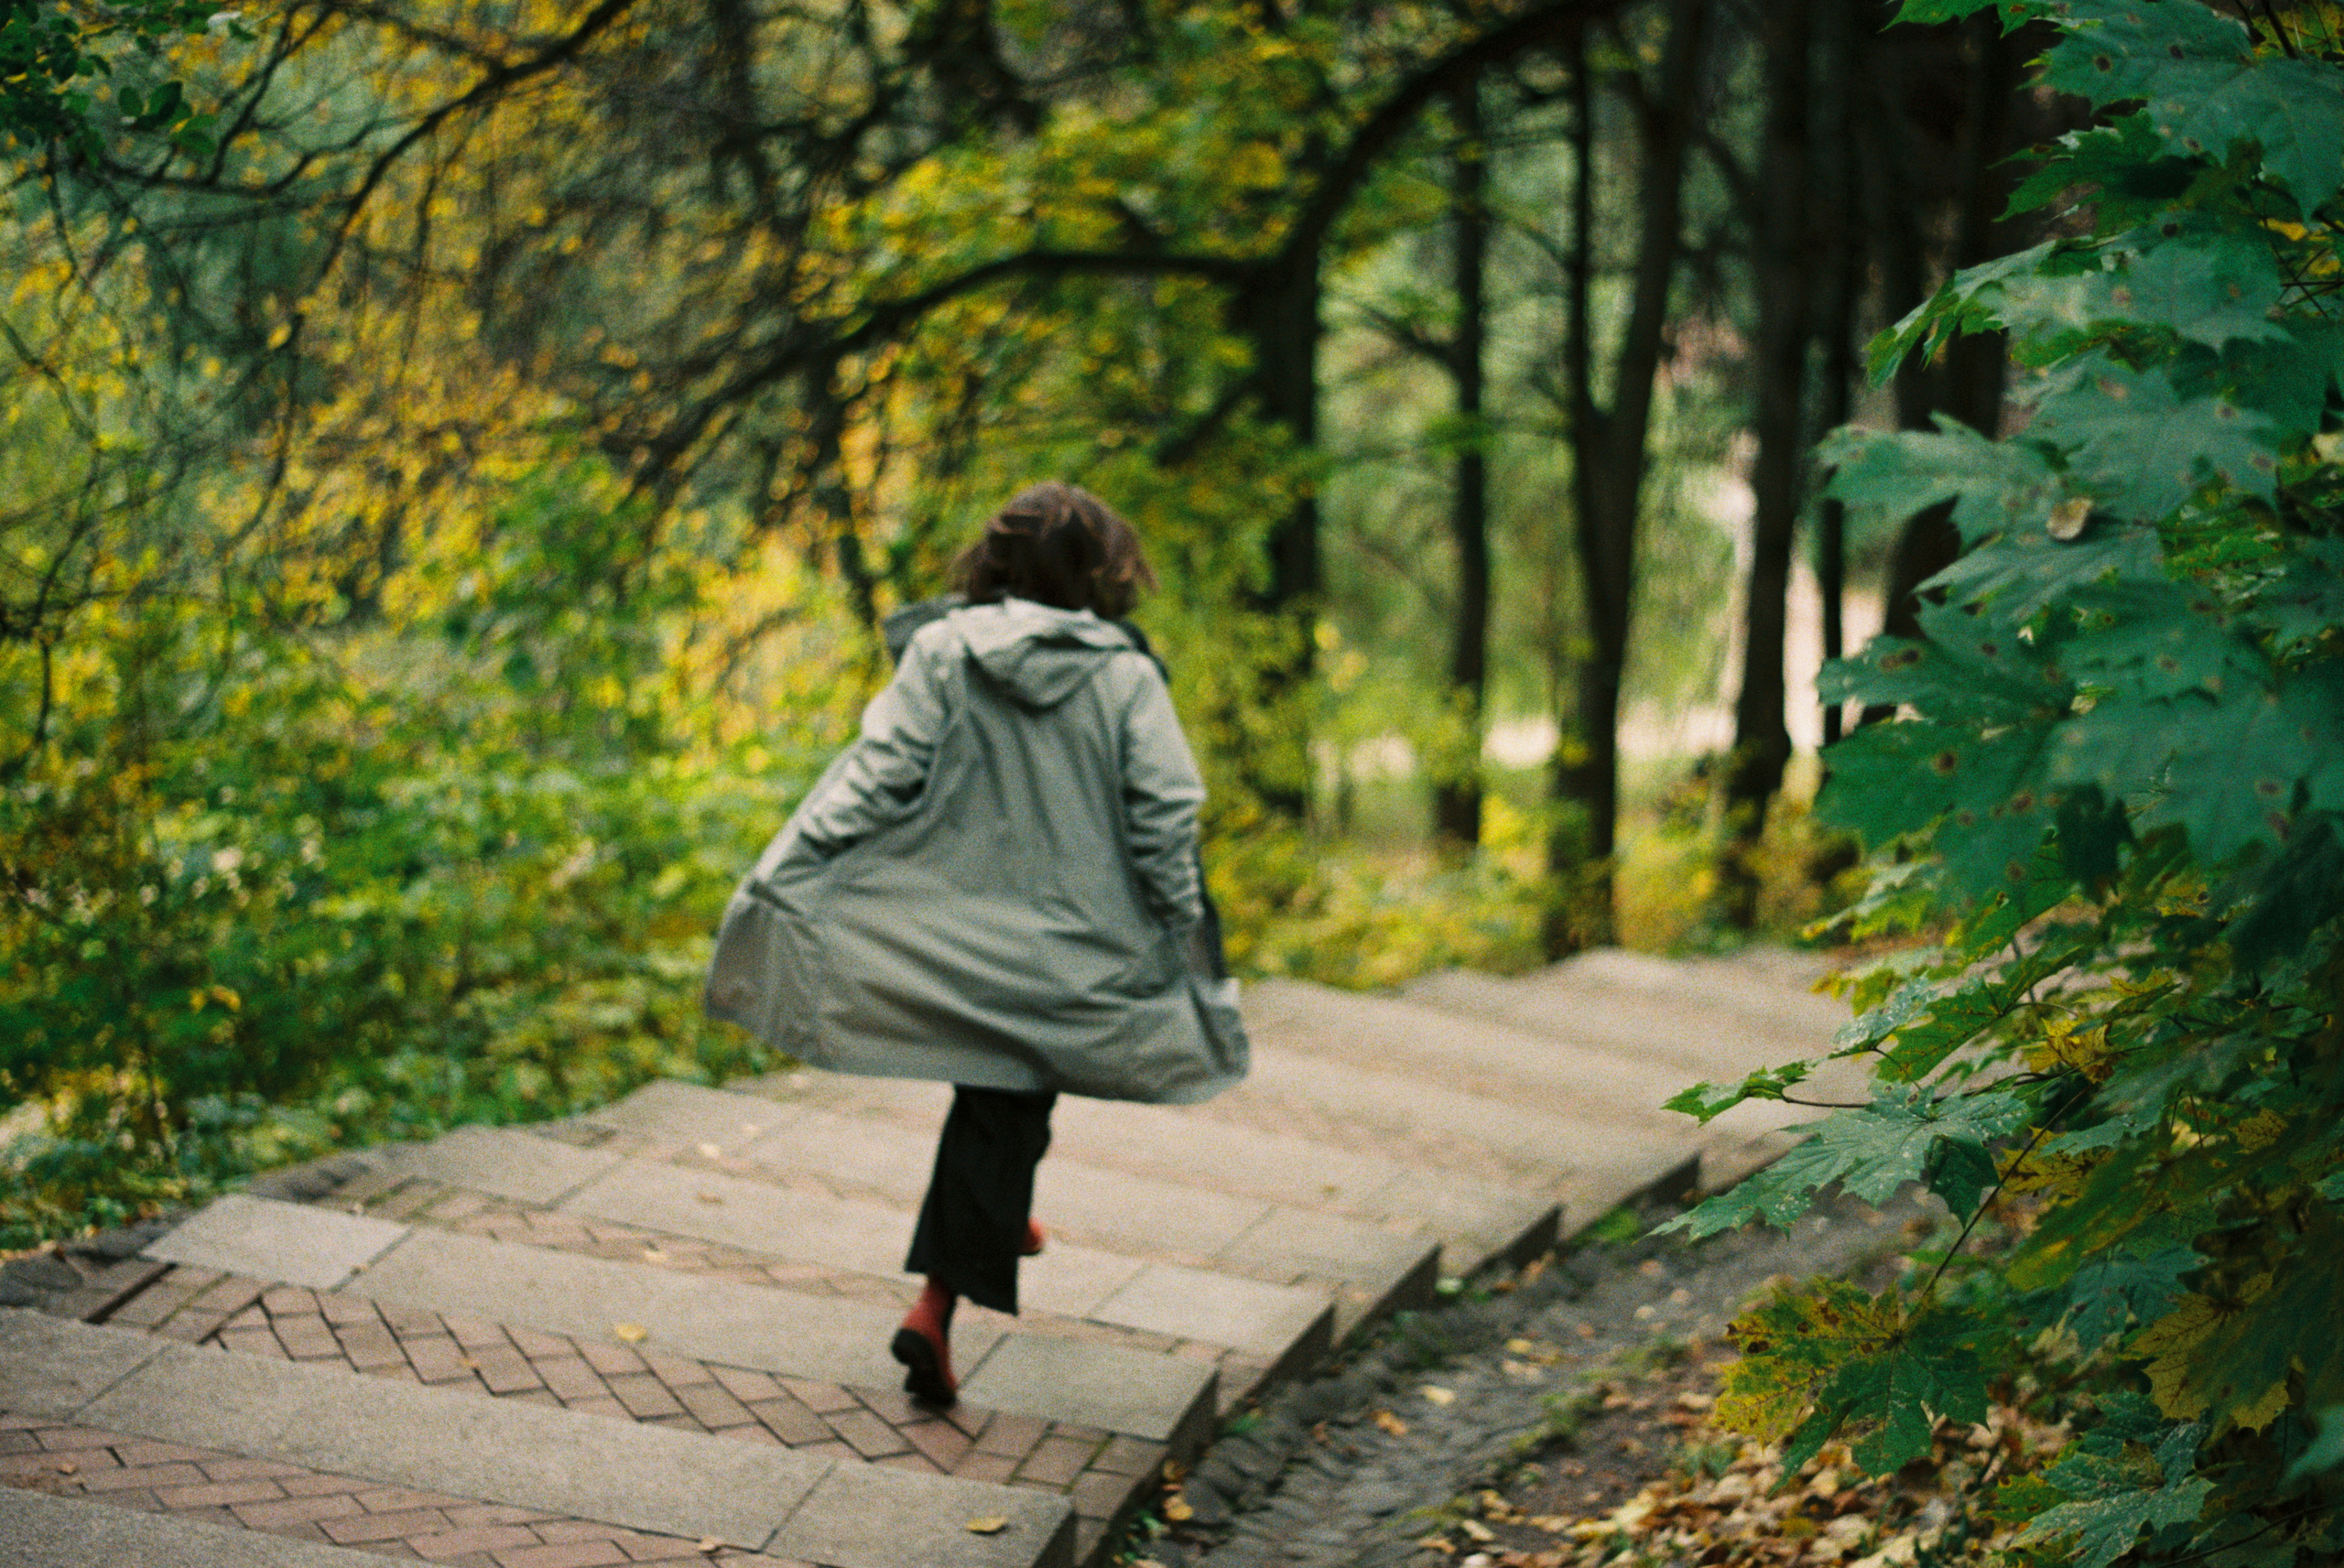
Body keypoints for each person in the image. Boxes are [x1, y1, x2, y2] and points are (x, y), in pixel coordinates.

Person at [703, 481, 1249, 1406]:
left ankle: (996, 1228)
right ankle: (935, 1305)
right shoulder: (1124, 677)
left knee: (998, 1097)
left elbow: (876, 774)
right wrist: (1178, 919)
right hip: (1077, 950)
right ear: (1099, 573)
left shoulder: (945, 653)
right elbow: (1164, 814)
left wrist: (787, 866)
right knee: (1006, 1103)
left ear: (992, 565)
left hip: (955, 938)